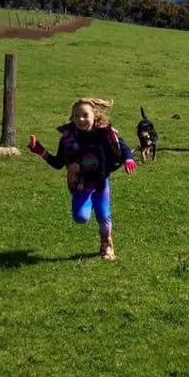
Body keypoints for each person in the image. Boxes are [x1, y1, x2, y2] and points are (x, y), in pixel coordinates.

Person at [27, 98, 136, 260]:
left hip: (100, 182)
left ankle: (107, 244)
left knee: (103, 215)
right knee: (80, 217)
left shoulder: (104, 133)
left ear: (95, 115)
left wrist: (128, 158)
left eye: (85, 115)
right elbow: (58, 163)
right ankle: (89, 203)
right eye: (76, 116)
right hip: (80, 184)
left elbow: (124, 146)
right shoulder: (67, 138)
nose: (81, 119)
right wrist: (40, 151)